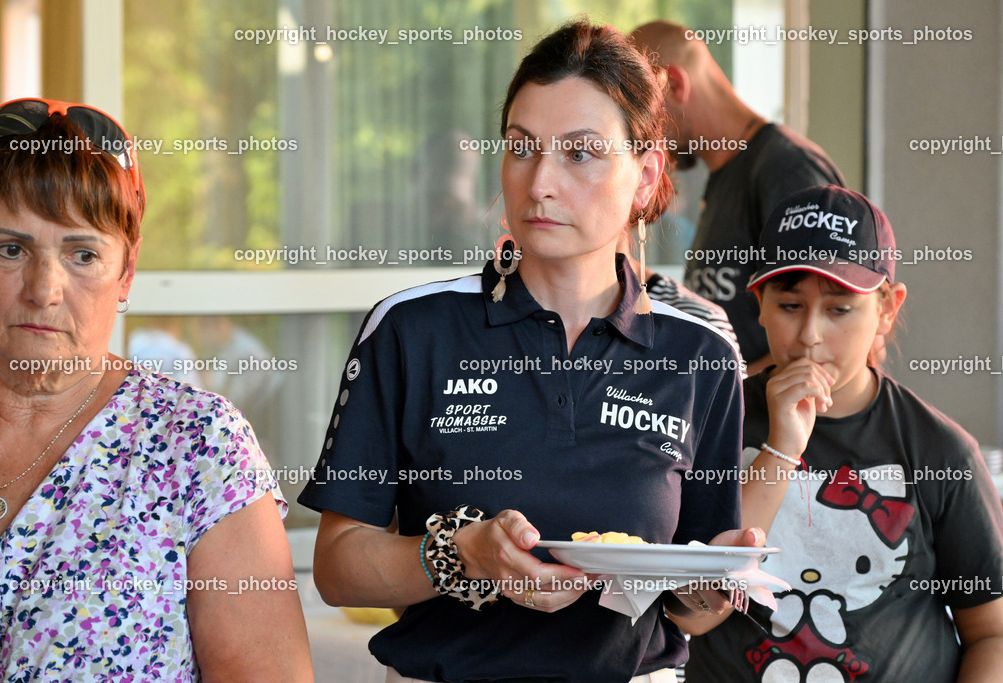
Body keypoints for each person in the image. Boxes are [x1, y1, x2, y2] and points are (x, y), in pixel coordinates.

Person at [299, 20, 759, 683]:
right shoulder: (412, 330)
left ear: (645, 173)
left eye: (579, 153)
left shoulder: (700, 348)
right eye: (522, 147)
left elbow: (692, 607)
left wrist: (710, 586)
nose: (540, 181)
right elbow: (338, 567)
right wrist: (463, 555)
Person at [0, 99, 312, 681]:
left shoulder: (200, 446)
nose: (44, 289)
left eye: (82, 254)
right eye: (12, 249)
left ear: (126, 272)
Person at [681, 186, 1003, 682]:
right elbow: (697, 613)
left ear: (887, 310)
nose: (810, 333)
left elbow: (992, 631)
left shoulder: (939, 448)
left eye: (839, 309)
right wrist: (780, 448)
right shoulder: (713, 420)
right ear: (759, 305)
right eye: (790, 305)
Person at [630, 21, 846, 374]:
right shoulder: (724, 174)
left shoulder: (787, 170)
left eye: (646, 112)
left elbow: (832, 340)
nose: (644, 132)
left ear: (677, 84)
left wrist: (728, 397)